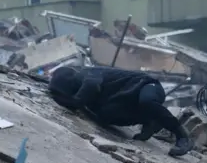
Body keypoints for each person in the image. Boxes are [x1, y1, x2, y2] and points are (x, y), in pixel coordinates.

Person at [48, 66, 193, 156]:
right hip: (130, 102)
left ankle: (182, 136)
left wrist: (74, 102)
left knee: (147, 101)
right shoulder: (88, 98)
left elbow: (92, 87)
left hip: (148, 85)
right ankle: (149, 120)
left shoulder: (87, 73)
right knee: (105, 116)